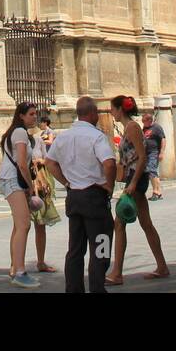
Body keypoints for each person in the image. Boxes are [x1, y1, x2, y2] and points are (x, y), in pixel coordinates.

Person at [46, 96, 117, 293]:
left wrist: (66, 182)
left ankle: (73, 289)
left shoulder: (64, 136)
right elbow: (109, 163)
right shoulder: (96, 136)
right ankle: (97, 287)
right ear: (93, 113)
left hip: (74, 196)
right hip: (94, 196)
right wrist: (109, 186)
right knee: (101, 245)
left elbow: (50, 162)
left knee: (75, 249)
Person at [106, 95, 170, 284]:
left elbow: (142, 157)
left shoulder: (132, 128)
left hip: (136, 180)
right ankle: (162, 265)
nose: (111, 112)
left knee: (120, 223)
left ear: (119, 109)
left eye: (112, 108)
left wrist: (133, 183)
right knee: (145, 223)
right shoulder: (128, 127)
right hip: (134, 178)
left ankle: (117, 273)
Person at [0, 101, 42, 288]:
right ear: (21, 116)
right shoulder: (20, 132)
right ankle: (20, 271)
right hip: (13, 180)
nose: (35, 117)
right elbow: (23, 164)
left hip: (10, 179)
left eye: (35, 114)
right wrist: (30, 186)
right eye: (31, 114)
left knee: (19, 226)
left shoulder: (16, 132)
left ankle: (14, 266)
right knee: (24, 225)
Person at [27, 117, 60, 274]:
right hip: (25, 185)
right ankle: (16, 264)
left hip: (39, 184)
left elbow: (48, 159)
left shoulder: (39, 139)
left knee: (40, 225)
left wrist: (39, 160)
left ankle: (40, 261)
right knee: (22, 226)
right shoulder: (18, 139)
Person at [140, 112, 166, 200]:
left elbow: (163, 139)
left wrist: (162, 152)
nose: (143, 123)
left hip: (154, 152)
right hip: (147, 153)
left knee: (151, 170)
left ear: (149, 120)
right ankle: (158, 192)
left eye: (144, 121)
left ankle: (156, 191)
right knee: (152, 172)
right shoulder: (145, 128)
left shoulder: (157, 128)